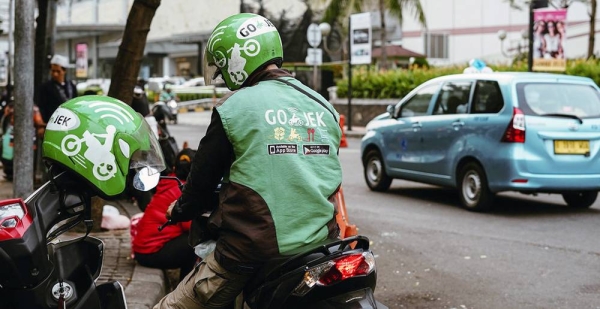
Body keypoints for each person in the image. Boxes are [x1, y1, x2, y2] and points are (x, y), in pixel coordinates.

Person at [153, 13, 343, 309]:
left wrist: (179, 209)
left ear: (236, 59)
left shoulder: (234, 107)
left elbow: (202, 180)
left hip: (253, 249)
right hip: (321, 247)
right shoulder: (323, 106)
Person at [132, 148, 198, 282]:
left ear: (175, 167)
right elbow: (189, 226)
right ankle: (184, 288)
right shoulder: (182, 192)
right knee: (193, 242)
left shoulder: (171, 182)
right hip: (149, 252)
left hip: (141, 250)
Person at [37, 54, 78, 123]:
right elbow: (42, 107)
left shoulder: (71, 86)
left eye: (58, 71)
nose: (55, 74)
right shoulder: (45, 87)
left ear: (64, 71)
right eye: (53, 71)